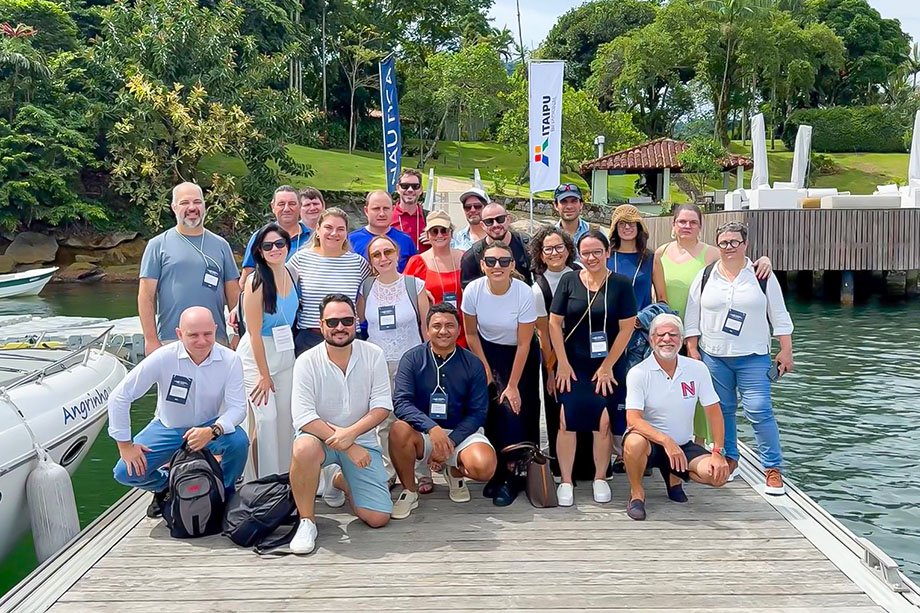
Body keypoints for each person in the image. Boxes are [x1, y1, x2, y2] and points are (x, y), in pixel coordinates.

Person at [684, 221, 794, 496]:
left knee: (759, 410)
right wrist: (693, 349)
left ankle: (772, 468)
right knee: (723, 410)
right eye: (723, 242)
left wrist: (785, 348)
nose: (729, 247)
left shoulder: (761, 274)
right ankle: (730, 458)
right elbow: (692, 315)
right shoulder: (706, 275)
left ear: (745, 244)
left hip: (753, 356)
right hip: (714, 356)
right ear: (717, 245)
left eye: (734, 242)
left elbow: (778, 313)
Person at [109, 307, 249, 516]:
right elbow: (119, 396)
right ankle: (166, 487)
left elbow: (238, 407)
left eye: (207, 334)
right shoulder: (163, 357)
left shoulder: (230, 360)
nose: (202, 341)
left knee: (239, 442)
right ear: (179, 334)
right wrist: (125, 445)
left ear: (216, 329)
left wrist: (213, 430)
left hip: (209, 428)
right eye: (193, 335)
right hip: (168, 428)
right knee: (124, 472)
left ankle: (223, 492)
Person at [655, 203, 772, 444]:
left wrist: (764, 260)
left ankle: (700, 441)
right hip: (668, 332)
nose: (687, 226)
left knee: (699, 388)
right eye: (682, 222)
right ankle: (667, 438)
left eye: (693, 222)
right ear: (673, 225)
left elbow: (739, 262)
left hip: (701, 332)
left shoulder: (710, 253)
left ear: (701, 226)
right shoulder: (660, 253)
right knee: (666, 386)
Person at [288, 294, 393, 554]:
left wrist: (352, 436)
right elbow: (303, 416)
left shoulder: (374, 354)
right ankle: (307, 521)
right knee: (303, 448)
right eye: (332, 322)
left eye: (347, 320)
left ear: (356, 323)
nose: (340, 327)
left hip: (362, 439)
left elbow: (382, 406)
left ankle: (338, 480)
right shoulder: (306, 361)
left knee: (378, 518)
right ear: (321, 325)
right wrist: (347, 446)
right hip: (318, 439)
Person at [549, 230, 637, 506]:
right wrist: (561, 362)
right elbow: (554, 323)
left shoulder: (621, 284)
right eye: (586, 253)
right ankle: (565, 480)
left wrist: (609, 365)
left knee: (603, 420)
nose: (591, 257)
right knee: (566, 419)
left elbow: (626, 329)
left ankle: (601, 476)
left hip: (607, 364)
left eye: (597, 251)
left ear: (607, 252)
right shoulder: (568, 280)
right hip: (573, 365)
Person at [389, 304, 497, 518]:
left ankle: (454, 469)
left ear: (459, 330)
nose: (443, 331)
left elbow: (478, 412)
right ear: (426, 329)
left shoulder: (473, 364)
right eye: (436, 326)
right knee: (397, 430)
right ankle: (409, 490)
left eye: (450, 325)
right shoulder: (412, 359)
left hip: (461, 433)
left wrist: (451, 442)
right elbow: (401, 402)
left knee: (484, 467)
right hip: (423, 433)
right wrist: (432, 428)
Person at [622, 314, 731, 520]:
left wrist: (718, 451)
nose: (666, 339)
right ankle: (637, 493)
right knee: (634, 443)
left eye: (673, 334)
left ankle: (674, 477)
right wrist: (666, 441)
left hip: (682, 445)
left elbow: (714, 410)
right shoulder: (638, 372)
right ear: (651, 339)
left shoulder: (697, 369)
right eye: (660, 334)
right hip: (651, 444)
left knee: (717, 476)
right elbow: (633, 420)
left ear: (681, 340)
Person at [462, 242, 540, 506]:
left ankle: (513, 474)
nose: (497, 266)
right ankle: (495, 470)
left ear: (513, 265)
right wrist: (485, 369)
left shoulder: (524, 292)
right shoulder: (473, 290)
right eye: (491, 261)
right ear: (483, 265)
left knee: (513, 410)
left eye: (504, 261)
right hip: (486, 352)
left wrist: (513, 384)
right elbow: (471, 334)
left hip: (519, 356)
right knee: (491, 410)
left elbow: (524, 343)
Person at [138, 182, 240, 355]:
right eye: (185, 203)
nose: (192, 208)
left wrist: (239, 333)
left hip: (215, 339)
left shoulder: (221, 245)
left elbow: (234, 295)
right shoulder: (157, 245)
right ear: (174, 207)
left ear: (205, 206)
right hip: (171, 339)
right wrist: (151, 339)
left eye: (197, 202)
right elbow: (146, 296)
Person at [362, 234, 430, 485]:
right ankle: (390, 471)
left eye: (387, 252)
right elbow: (362, 324)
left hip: (411, 362)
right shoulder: (366, 288)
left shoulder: (415, 285)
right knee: (383, 420)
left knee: (415, 416)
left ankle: (422, 472)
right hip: (378, 362)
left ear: (397, 254)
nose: (383, 258)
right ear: (370, 260)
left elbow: (427, 326)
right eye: (376, 254)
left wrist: (429, 360)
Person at [529, 226, 594, 481]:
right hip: (557, 352)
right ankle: (560, 467)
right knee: (558, 409)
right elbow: (544, 334)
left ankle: (590, 466)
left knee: (590, 406)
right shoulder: (539, 288)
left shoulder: (583, 274)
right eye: (548, 249)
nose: (555, 253)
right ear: (541, 255)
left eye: (559, 247)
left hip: (587, 350)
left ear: (569, 250)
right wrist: (550, 369)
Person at [237, 223, 298, 478]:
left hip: (285, 354)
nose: (275, 249)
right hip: (257, 356)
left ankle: (285, 477)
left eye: (280, 244)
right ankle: (261, 481)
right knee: (266, 420)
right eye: (267, 246)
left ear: (287, 246)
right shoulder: (256, 282)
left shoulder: (292, 273)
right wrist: (264, 375)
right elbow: (252, 333)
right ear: (260, 251)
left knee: (286, 420)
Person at [287, 208, 371, 355]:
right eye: (328, 228)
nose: (334, 233)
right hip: (310, 339)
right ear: (318, 230)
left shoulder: (358, 263)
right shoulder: (301, 259)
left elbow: (376, 290)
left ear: (346, 234)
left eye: (340, 229)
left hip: (347, 338)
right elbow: (277, 286)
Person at [405, 210, 467, 347]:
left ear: (451, 233)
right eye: (434, 231)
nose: (439, 235)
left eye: (444, 230)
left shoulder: (465, 258)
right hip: (434, 334)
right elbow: (404, 294)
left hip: (463, 332)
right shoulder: (417, 262)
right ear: (427, 235)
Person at [239, 185, 312, 287]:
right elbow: (245, 280)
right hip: (268, 300)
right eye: (281, 204)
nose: (286, 209)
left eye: (292, 204)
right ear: (273, 207)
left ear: (300, 206)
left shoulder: (313, 238)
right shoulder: (260, 237)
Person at [607, 204, 666, 311]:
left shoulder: (651, 259)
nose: (627, 227)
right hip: (609, 325)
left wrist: (644, 317)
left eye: (631, 223)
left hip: (640, 324)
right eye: (622, 223)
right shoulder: (605, 257)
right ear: (615, 228)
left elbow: (662, 300)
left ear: (639, 226)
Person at [460, 202, 532, 288]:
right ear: (482, 225)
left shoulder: (528, 246)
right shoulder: (471, 257)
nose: (495, 225)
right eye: (489, 221)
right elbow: (469, 293)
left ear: (508, 219)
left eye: (500, 219)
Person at [349, 190, 417, 272]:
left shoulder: (406, 240)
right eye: (376, 209)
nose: (382, 214)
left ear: (393, 209)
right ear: (366, 211)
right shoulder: (351, 240)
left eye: (386, 208)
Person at [391, 168, 429, 253]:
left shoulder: (430, 217)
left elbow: (448, 243)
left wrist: (436, 239)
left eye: (415, 186)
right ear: (398, 188)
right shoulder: (388, 217)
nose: (410, 190)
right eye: (405, 186)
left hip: (423, 265)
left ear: (421, 189)